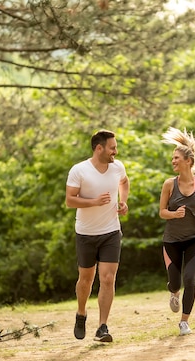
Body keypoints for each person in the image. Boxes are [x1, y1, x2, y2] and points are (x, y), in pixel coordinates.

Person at [66, 129, 130, 342]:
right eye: (112, 147)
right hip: (86, 233)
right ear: (99, 148)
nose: (116, 151)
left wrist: (123, 201)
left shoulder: (117, 167)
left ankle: (102, 327)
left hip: (111, 231)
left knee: (108, 278)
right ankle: (81, 313)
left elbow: (124, 182)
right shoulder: (79, 170)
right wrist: (93, 202)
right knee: (86, 280)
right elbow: (70, 200)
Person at [158, 127, 195, 336]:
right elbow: (162, 212)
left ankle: (184, 322)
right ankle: (173, 292)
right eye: (172, 158)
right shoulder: (169, 185)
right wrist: (174, 214)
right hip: (172, 239)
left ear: (188, 161)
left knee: (190, 278)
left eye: (176, 158)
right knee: (175, 281)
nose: (173, 161)